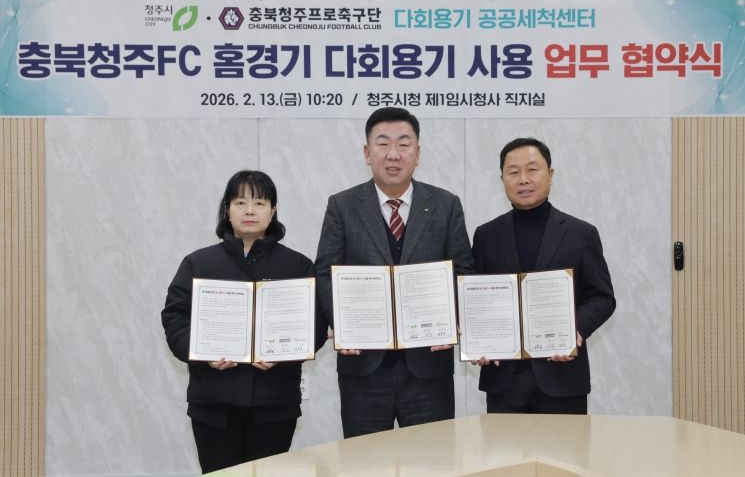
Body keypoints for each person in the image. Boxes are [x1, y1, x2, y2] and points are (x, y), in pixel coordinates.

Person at [315, 107, 474, 438]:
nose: (393, 154)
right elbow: (326, 273)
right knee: (365, 460)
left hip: (428, 366)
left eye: (403, 144)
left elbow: (463, 272)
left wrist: (451, 321)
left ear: (418, 153)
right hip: (363, 366)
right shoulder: (342, 206)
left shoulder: (445, 205)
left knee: (432, 457)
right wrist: (342, 326)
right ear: (366, 153)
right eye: (382, 143)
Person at [161, 170, 326, 474]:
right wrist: (203, 354)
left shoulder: (298, 266)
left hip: (275, 403)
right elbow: (175, 318)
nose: (250, 210)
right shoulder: (198, 263)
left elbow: (315, 325)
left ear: (273, 211)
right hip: (213, 403)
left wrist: (283, 354)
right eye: (240, 202)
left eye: (259, 203)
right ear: (228, 209)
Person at [471, 137, 615, 414]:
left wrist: (575, 330)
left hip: (562, 377)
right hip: (503, 380)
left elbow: (602, 298)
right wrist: (477, 339)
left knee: (565, 445)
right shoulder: (486, 235)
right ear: (502, 179)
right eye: (513, 172)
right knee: (502, 445)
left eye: (532, 169)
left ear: (550, 174)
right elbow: (475, 298)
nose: (523, 179)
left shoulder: (581, 234)